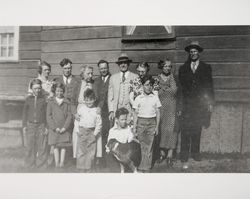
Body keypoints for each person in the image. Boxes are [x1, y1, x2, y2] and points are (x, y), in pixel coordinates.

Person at [179, 41, 214, 169]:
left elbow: (209, 87)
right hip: (187, 105)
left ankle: (195, 152)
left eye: (195, 51)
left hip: (199, 105)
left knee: (197, 128)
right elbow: (181, 88)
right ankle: (184, 154)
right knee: (185, 129)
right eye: (191, 52)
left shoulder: (205, 67)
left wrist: (210, 102)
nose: (193, 54)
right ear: (189, 53)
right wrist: (181, 105)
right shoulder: (183, 68)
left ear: (199, 52)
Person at [133, 75, 161, 172]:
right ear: (142, 86)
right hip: (141, 123)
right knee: (141, 145)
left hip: (151, 123)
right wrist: (134, 127)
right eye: (146, 85)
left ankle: (147, 167)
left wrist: (157, 127)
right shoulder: (138, 98)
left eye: (150, 85)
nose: (149, 87)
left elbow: (158, 113)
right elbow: (135, 113)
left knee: (149, 146)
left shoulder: (155, 97)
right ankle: (141, 166)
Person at [155, 59, 179, 167]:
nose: (168, 68)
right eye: (165, 66)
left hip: (171, 108)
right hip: (160, 108)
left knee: (171, 130)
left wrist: (163, 88)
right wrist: (166, 89)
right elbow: (156, 92)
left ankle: (170, 155)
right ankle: (161, 153)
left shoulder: (173, 77)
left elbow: (174, 91)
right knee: (161, 130)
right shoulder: (156, 78)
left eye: (169, 66)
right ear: (161, 67)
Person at [74, 89, 102, 172]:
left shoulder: (96, 110)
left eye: (90, 100)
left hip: (91, 132)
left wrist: (95, 134)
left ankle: (88, 168)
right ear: (84, 100)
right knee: (81, 151)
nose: (88, 102)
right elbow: (77, 120)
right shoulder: (81, 109)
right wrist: (77, 130)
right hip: (82, 131)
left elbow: (99, 123)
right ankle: (81, 168)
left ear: (94, 99)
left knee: (90, 152)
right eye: (86, 100)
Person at [22, 79, 48, 169]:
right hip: (30, 125)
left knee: (41, 146)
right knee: (30, 145)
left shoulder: (43, 100)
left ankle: (41, 164)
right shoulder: (28, 99)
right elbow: (24, 113)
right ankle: (29, 164)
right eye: (35, 88)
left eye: (39, 88)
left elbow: (46, 114)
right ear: (31, 89)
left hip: (41, 125)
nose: (37, 90)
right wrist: (24, 125)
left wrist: (46, 126)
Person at [46, 83, 72, 168]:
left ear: (63, 92)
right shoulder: (51, 102)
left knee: (63, 146)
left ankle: (62, 162)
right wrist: (54, 127)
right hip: (55, 129)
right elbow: (48, 116)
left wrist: (65, 127)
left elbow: (69, 116)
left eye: (61, 91)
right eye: (57, 91)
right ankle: (57, 162)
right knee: (56, 145)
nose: (59, 93)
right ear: (54, 91)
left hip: (64, 128)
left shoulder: (67, 102)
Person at [72, 65, 95, 159]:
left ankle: (90, 157)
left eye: (91, 73)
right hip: (80, 111)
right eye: (88, 73)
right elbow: (72, 101)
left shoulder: (94, 84)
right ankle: (78, 157)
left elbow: (97, 99)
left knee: (90, 134)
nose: (90, 75)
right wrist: (74, 113)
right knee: (78, 134)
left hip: (91, 111)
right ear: (82, 74)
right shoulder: (78, 84)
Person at [108, 53, 137, 126]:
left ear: (128, 64)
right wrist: (111, 110)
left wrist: (135, 111)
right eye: (121, 63)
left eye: (125, 63)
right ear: (118, 65)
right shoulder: (113, 78)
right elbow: (110, 96)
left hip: (130, 110)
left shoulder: (135, 77)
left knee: (129, 131)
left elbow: (138, 96)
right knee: (118, 131)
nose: (123, 65)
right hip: (117, 109)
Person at [93, 60, 112, 167]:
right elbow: (95, 96)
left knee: (107, 134)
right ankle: (99, 158)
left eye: (105, 68)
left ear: (108, 68)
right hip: (98, 112)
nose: (103, 70)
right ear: (99, 69)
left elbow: (107, 96)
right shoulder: (96, 80)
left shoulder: (112, 79)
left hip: (108, 111)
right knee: (98, 135)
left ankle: (107, 158)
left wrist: (101, 106)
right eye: (101, 68)